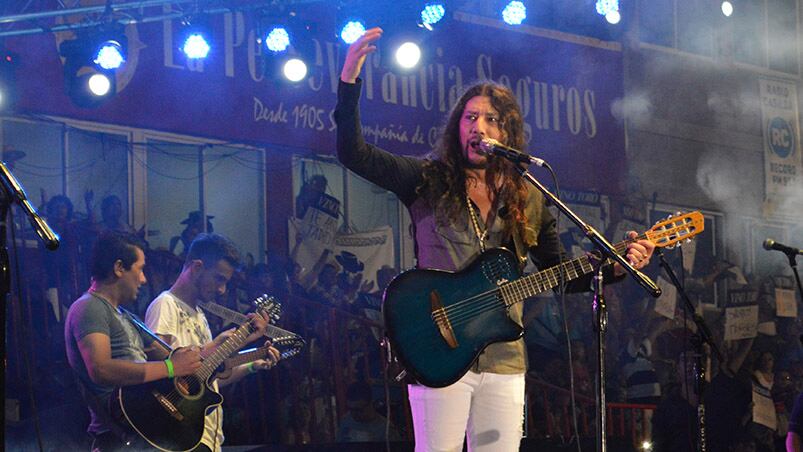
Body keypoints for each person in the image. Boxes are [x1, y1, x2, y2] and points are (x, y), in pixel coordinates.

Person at [335, 27, 656, 452]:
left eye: (490, 119)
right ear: (457, 127)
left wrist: (616, 267)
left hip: (504, 359)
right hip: (438, 352)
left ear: (507, 134)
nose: (478, 126)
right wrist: (349, 82)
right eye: (470, 118)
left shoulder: (529, 197)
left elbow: (561, 275)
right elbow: (353, 153)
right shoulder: (427, 180)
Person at [64, 231, 203, 451]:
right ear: (119, 268)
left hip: (142, 433)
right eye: (139, 269)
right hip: (117, 439)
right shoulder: (88, 307)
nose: (144, 279)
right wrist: (170, 367)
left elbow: (173, 356)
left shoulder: (127, 317)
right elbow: (100, 369)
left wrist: (230, 342)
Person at [144, 233, 279, 452]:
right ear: (197, 267)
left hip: (205, 437)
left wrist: (252, 363)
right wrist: (214, 346)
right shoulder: (165, 304)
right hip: (181, 436)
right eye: (219, 278)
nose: (222, 289)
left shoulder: (200, 316)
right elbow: (160, 371)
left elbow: (208, 382)